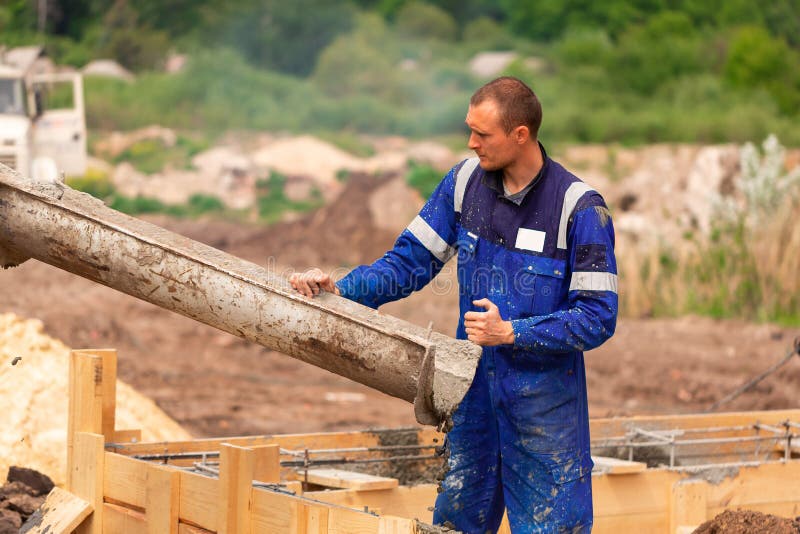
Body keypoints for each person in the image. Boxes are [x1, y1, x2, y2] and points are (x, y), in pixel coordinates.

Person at [290, 76, 617, 533]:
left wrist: (513, 333)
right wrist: (343, 289)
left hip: (544, 411)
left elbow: (598, 317)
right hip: (473, 395)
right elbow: (407, 264)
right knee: (455, 526)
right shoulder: (465, 183)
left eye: (483, 134)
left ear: (520, 134)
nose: (471, 142)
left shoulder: (578, 209)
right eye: (470, 129)